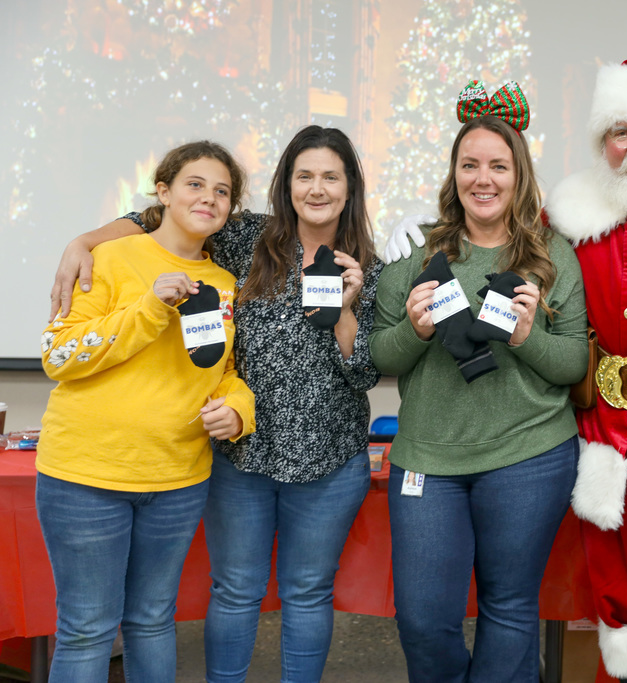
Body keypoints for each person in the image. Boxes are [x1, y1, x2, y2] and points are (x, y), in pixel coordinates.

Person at [383, 61, 627, 683]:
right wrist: (424, 236)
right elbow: (495, 225)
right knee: (626, 623)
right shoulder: (570, 223)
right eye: (620, 132)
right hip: (611, 445)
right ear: (603, 145)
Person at [49, 125, 382, 683]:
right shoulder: (247, 238)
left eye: (331, 176)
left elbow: (365, 371)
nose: (317, 188)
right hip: (240, 452)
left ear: (350, 187)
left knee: (307, 591)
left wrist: (347, 308)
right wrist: (81, 242)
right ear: (287, 184)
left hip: (330, 455)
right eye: (304, 175)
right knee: (235, 588)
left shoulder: (369, 267)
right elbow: (155, 217)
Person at [369, 80, 589, 683]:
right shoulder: (416, 252)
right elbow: (378, 356)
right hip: (429, 458)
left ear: (519, 177)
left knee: (509, 609)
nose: (483, 179)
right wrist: (413, 330)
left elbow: (572, 364)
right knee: (422, 619)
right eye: (470, 165)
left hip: (529, 453)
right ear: (453, 173)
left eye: (498, 165)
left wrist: (525, 336)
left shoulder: (552, 254)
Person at [36, 141, 256, 683]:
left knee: (155, 621)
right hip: (87, 476)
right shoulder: (106, 259)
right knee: (87, 629)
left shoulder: (225, 284)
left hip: (178, 481)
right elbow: (58, 357)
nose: (209, 198)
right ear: (163, 191)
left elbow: (221, 371)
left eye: (222, 191)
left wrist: (238, 409)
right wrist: (149, 308)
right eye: (195, 184)